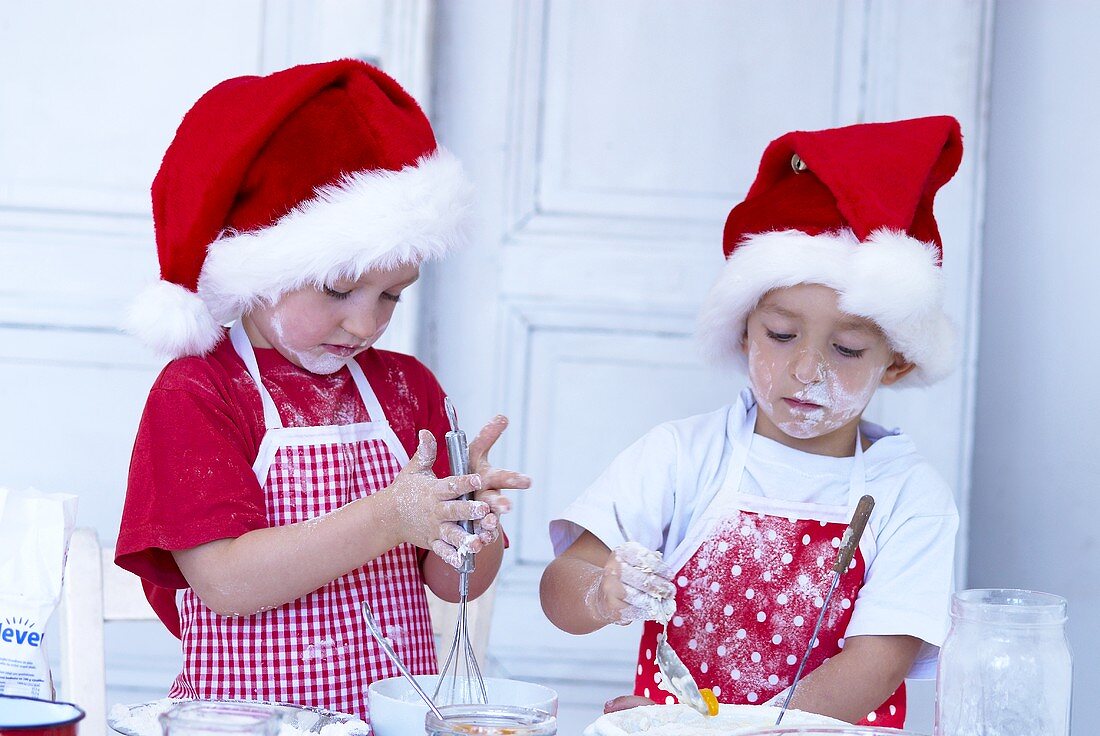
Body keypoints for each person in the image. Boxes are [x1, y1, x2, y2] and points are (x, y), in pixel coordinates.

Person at [114, 59, 530, 720]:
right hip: (246, 723)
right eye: (339, 290)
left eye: (392, 295)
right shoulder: (202, 391)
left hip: (387, 721)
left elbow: (452, 587)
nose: (367, 323)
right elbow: (226, 581)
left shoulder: (405, 390)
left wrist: (469, 527)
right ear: (263, 266)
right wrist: (393, 513)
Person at [540, 116, 963, 728]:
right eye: (782, 335)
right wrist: (601, 593)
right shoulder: (681, 457)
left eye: (846, 349)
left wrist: (719, 730)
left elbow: (878, 664)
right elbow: (562, 589)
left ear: (895, 364)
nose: (806, 370)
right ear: (743, 330)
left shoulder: (909, 495)